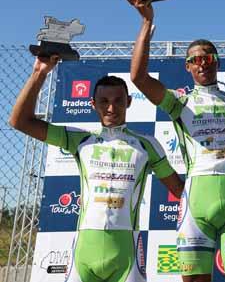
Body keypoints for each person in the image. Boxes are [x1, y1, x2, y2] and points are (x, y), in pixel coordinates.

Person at [9, 56, 184, 282]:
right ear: (93, 104)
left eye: (118, 101)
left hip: (126, 252)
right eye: (104, 101)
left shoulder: (147, 144)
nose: (111, 108)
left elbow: (179, 190)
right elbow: (19, 121)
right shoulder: (79, 139)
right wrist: (40, 72)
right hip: (84, 250)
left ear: (129, 102)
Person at [126, 0, 225, 282]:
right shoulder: (179, 102)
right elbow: (137, 78)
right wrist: (147, 24)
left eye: (208, 57)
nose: (202, 63)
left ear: (217, 63)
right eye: (195, 59)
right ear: (187, 66)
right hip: (195, 205)